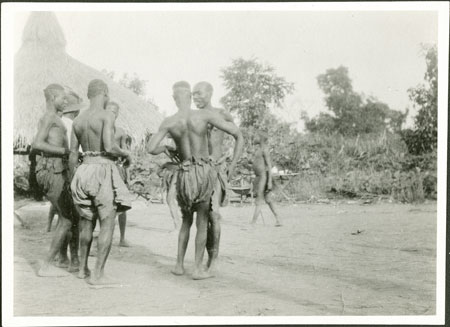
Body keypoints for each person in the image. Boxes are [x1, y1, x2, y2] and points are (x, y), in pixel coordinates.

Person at [147, 81, 243, 280]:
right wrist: (232, 163)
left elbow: (151, 148)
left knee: (185, 221)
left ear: (174, 99)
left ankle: (179, 265)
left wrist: (166, 148)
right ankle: (198, 269)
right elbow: (237, 134)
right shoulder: (203, 115)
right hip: (204, 172)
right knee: (202, 220)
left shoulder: (169, 121)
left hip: (184, 172)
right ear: (190, 96)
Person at [69, 79, 133, 287]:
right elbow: (109, 146)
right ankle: (98, 275)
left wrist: (73, 180)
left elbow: (72, 154)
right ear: (104, 93)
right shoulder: (106, 115)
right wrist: (125, 153)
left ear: (89, 94)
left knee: (86, 222)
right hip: (102, 169)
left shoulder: (78, 120)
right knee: (107, 223)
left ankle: (81, 269)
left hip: (82, 170)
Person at [32, 83, 79, 276]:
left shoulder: (54, 118)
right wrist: (66, 152)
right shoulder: (50, 117)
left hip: (56, 169)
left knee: (70, 216)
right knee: (68, 218)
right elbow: (37, 144)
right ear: (53, 97)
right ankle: (46, 264)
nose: (65, 101)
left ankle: (66, 259)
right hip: (51, 170)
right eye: (62, 97)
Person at [192, 81, 233, 272]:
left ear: (210, 92)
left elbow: (237, 135)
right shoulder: (194, 117)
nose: (196, 97)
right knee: (202, 217)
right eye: (193, 94)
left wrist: (230, 161)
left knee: (214, 215)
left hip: (216, 170)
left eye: (199, 93)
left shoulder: (222, 114)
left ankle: (214, 259)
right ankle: (203, 259)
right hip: (200, 170)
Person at [105, 101, 132, 247]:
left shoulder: (120, 132)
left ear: (118, 114)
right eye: (109, 111)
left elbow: (126, 153)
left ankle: (122, 238)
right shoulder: (100, 129)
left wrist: (127, 174)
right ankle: (102, 235)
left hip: (117, 169)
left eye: (114, 112)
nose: (112, 114)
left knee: (122, 204)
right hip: (103, 168)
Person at [250, 131, 282, 227]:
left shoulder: (265, 149)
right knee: (268, 199)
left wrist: (269, 182)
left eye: (256, 136)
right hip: (259, 177)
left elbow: (269, 165)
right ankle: (278, 219)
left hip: (263, 177)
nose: (254, 138)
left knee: (259, 199)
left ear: (261, 138)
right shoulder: (258, 150)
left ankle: (253, 222)